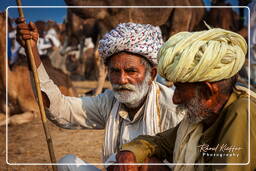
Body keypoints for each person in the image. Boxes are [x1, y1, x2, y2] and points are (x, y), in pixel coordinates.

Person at [16, 17, 184, 170]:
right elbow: (60, 109)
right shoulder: (109, 102)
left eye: (131, 71)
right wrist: (33, 52)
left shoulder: (171, 107)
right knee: (67, 164)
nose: (122, 79)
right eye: (115, 71)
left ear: (151, 75)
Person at [113, 28, 256, 171]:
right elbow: (160, 143)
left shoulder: (242, 112)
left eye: (180, 89)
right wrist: (130, 153)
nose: (175, 99)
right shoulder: (202, 118)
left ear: (207, 91)